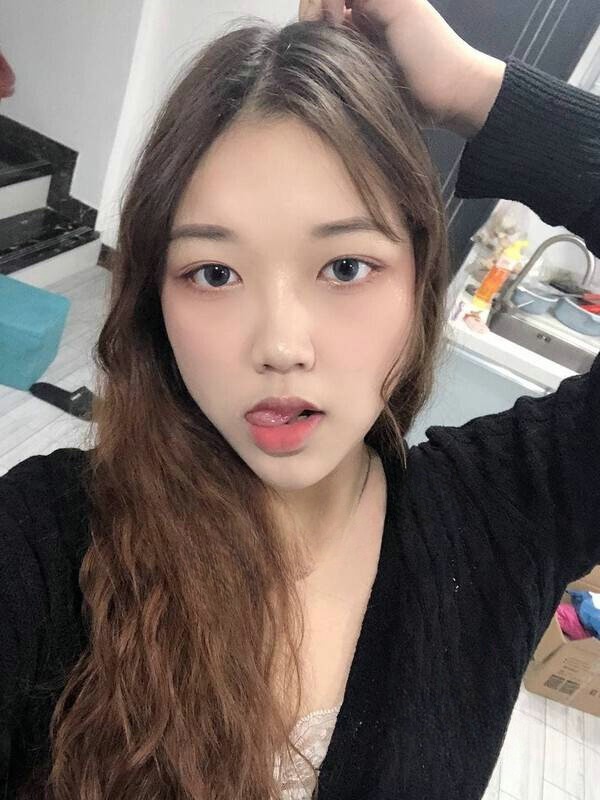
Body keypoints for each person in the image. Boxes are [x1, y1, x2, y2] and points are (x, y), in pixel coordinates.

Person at [1, 1, 599, 798]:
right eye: (214, 273)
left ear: (420, 278)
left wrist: (472, 89)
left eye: (345, 267)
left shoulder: (500, 518)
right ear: (154, 302)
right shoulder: (48, 542)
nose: (281, 345)